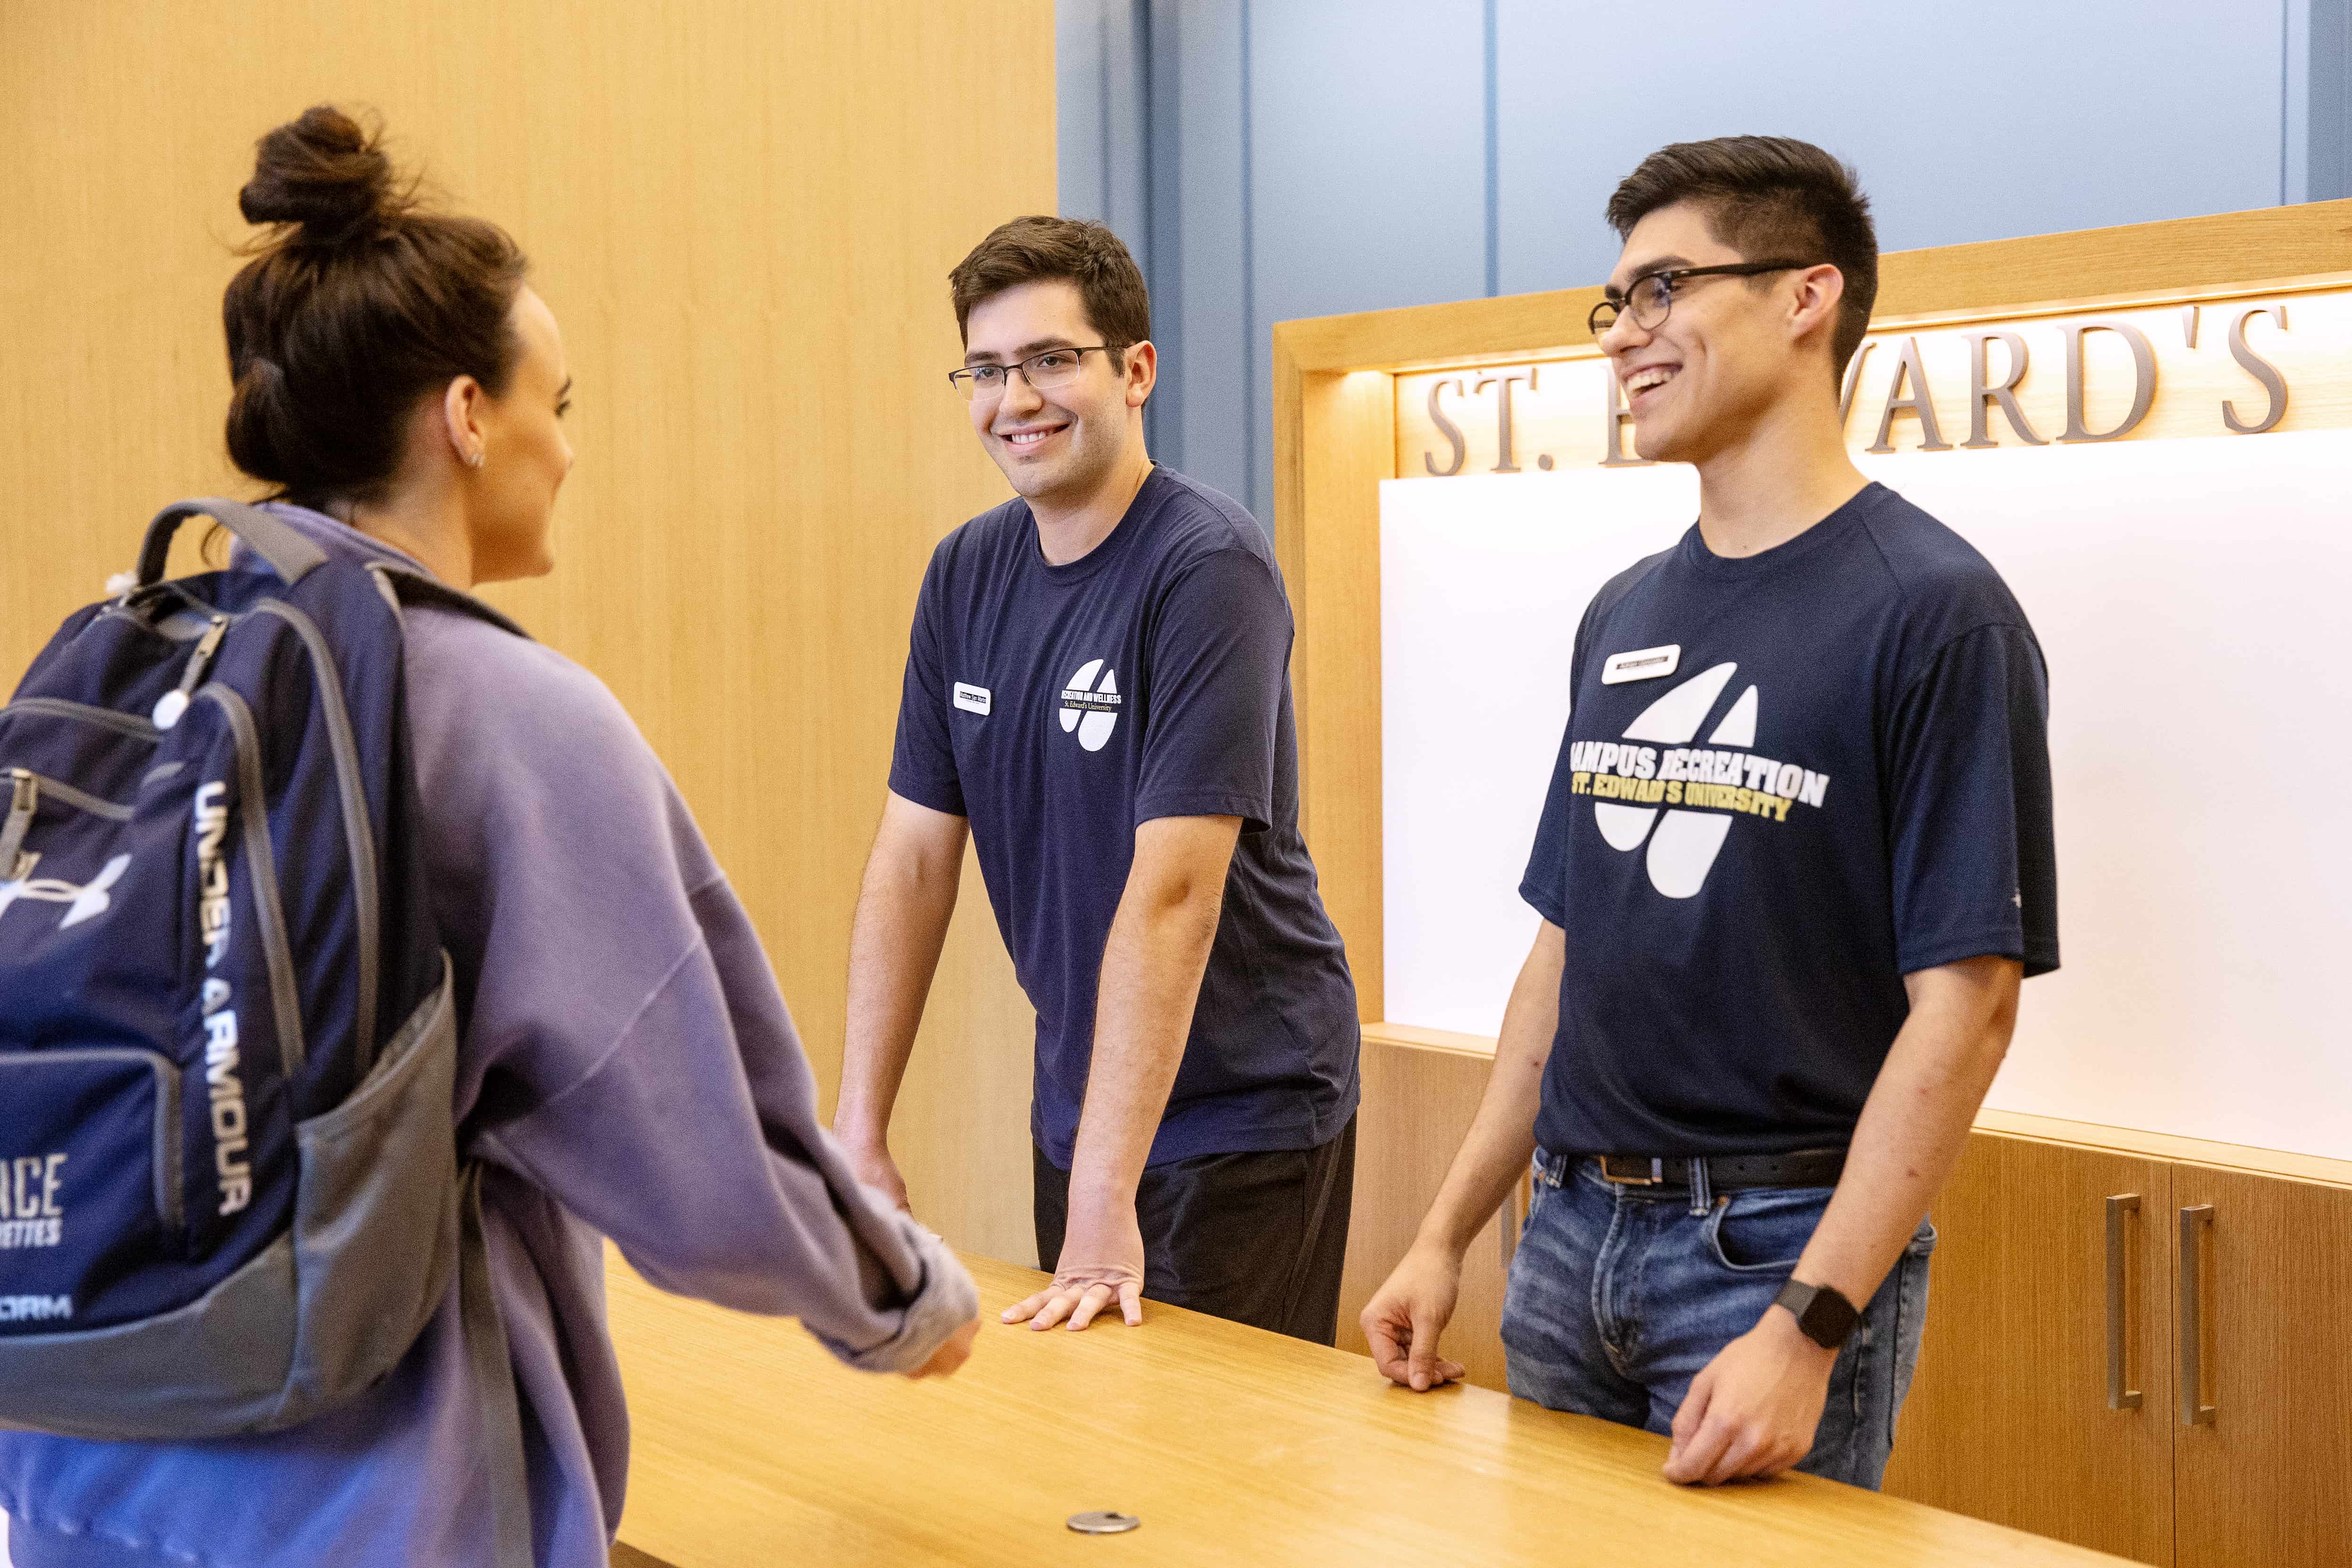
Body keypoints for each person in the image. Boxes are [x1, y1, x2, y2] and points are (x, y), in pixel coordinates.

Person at [0, 107, 978, 1568]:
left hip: (71, 1468)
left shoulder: (143, 651)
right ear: (468, 415)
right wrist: (900, 1299)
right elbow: (701, 1143)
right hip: (360, 1500)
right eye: (559, 403)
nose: (566, 451)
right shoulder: (501, 709)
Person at [1359, 136, 2057, 1489]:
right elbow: (1568, 952)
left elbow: (1969, 1008)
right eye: (1615, 303)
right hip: (1563, 1237)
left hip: (1771, 1250)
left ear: (1807, 298)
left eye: (1665, 287)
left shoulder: (1935, 613)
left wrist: (1808, 1326)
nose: (1625, 334)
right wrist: (1447, 1231)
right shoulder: (1625, 608)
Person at [832, 217, 1361, 1341]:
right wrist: (858, 1129)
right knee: (1096, 1458)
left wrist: (1103, 1197)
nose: (1013, 398)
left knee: (1205, 1482)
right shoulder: (965, 573)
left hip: (1241, 1113)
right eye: (986, 369)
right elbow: (915, 858)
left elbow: (1174, 892)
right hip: (1082, 1104)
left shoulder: (1207, 565)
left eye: (1050, 360)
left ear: (1134, 371)